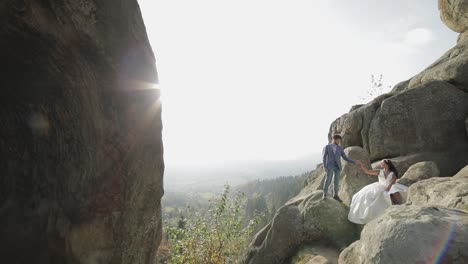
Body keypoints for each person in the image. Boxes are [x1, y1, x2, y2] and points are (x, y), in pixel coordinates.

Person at [348, 159, 408, 224]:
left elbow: (393, 181)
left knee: (394, 191)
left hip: (389, 185)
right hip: (380, 185)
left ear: (387, 165)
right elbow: (367, 171)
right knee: (366, 194)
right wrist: (362, 166)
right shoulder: (379, 171)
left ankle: (401, 206)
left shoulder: (392, 173)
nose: (380, 164)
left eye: (382, 163)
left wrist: (389, 186)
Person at [322, 134, 357, 201]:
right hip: (330, 166)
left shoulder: (340, 148)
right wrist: (324, 166)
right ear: (334, 139)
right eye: (338, 140)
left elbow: (345, 157)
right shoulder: (327, 147)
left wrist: (354, 161)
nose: (339, 142)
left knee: (336, 182)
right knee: (328, 180)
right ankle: (324, 194)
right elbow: (324, 157)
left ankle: (335, 195)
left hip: (338, 167)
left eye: (339, 141)